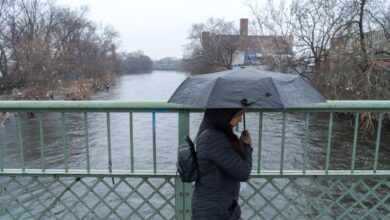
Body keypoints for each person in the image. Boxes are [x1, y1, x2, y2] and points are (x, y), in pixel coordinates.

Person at [192, 108, 253, 220]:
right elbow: (243, 172)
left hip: (222, 208)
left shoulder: (217, 132)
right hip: (214, 212)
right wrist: (247, 146)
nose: (240, 120)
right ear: (224, 115)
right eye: (238, 115)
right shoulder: (212, 138)